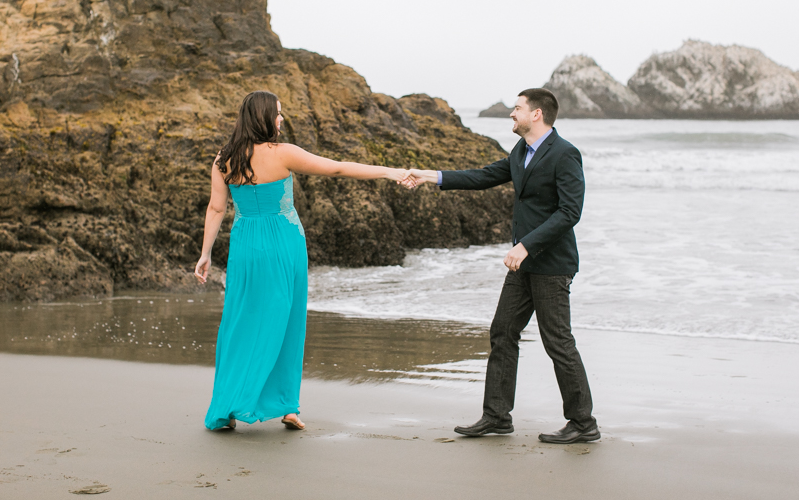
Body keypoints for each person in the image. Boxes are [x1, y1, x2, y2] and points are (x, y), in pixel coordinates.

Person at [195, 90, 410, 432]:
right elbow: (337, 169)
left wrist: (206, 254)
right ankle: (287, 406)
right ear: (264, 117)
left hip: (246, 245)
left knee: (239, 322)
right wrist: (388, 172)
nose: (281, 119)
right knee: (287, 320)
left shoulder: (224, 158)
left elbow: (216, 208)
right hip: (283, 242)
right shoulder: (282, 153)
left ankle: (227, 407)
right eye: (278, 114)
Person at [405, 88, 598, 444]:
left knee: (557, 341)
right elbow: (484, 175)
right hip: (523, 265)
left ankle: (583, 423)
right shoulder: (521, 150)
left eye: (518, 108)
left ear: (537, 114)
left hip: (551, 264)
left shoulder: (565, 154)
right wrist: (430, 176)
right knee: (502, 332)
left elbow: (570, 212)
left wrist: (526, 245)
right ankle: (496, 416)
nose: (512, 114)